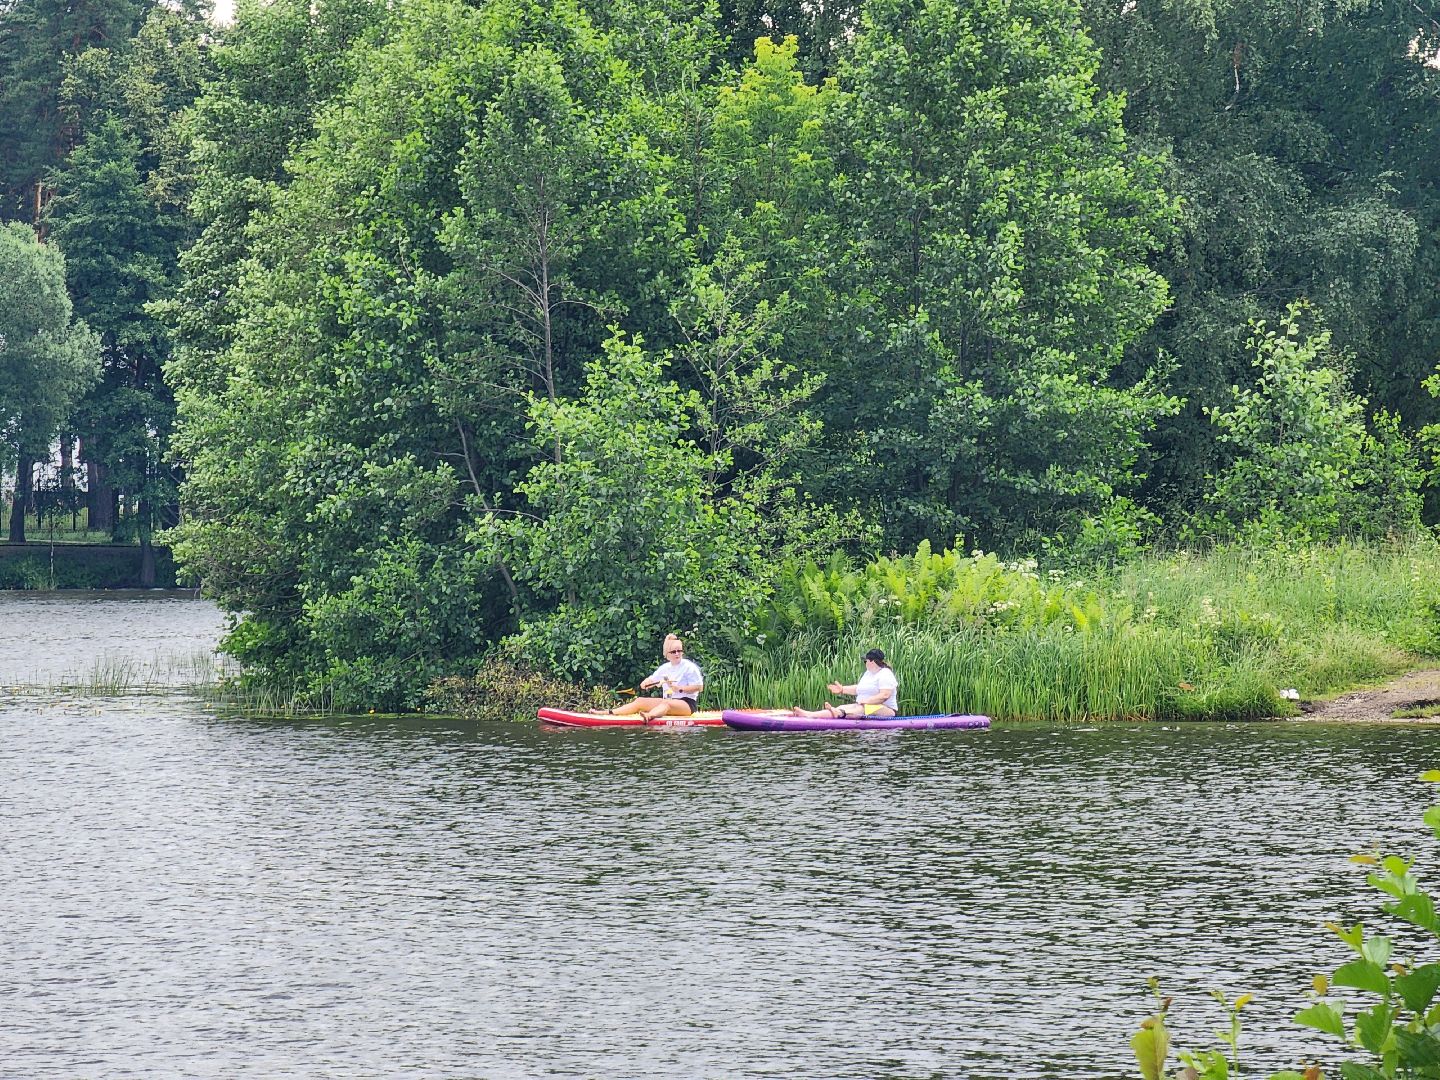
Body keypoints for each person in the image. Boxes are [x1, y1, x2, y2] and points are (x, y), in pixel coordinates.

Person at [609, 634, 705, 723]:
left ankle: (649, 716)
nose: (677, 654)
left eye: (679, 651)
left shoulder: (689, 667)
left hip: (687, 703)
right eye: (673, 652)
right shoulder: (664, 668)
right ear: (667, 654)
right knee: (640, 701)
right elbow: (652, 680)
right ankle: (609, 713)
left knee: (667, 704)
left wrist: (679, 689)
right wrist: (645, 683)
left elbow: (699, 687)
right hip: (669, 700)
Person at [791, 648, 898, 719]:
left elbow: (885, 695)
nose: (864, 663)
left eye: (865, 661)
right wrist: (842, 689)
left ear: (872, 662)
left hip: (886, 710)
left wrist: (866, 701)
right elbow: (859, 689)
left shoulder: (885, 674)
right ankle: (813, 714)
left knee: (861, 709)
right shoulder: (868, 674)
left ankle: (812, 715)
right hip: (865, 706)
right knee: (844, 706)